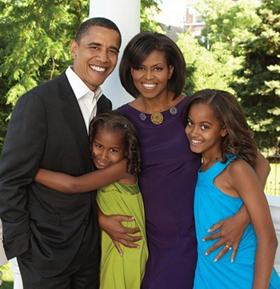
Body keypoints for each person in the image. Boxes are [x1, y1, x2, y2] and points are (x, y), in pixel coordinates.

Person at [98, 31, 271, 289]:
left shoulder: (196, 112)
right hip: (148, 240)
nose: (147, 77)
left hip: (197, 239)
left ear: (170, 71)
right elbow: (97, 179)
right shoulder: (121, 121)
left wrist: (243, 217)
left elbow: (260, 164)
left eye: (157, 68)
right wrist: (101, 218)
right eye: (139, 68)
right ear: (130, 71)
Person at [0, 17, 121, 288]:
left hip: (90, 252)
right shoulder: (37, 102)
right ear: (74, 48)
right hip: (43, 252)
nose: (104, 57)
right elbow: (10, 181)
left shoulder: (106, 106)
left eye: (112, 50)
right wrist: (25, 249)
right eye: (95, 47)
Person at [34, 111, 148, 289]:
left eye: (114, 150)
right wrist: (101, 218)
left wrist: (30, 170)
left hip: (126, 246)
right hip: (113, 241)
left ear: (127, 150)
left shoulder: (123, 168)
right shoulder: (101, 170)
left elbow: (75, 186)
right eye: (98, 146)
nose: (103, 156)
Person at [183, 89, 280, 288]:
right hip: (208, 279)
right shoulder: (199, 167)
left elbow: (269, 240)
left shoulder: (236, 169)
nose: (194, 132)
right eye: (191, 123)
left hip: (243, 279)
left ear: (224, 129)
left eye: (205, 126)